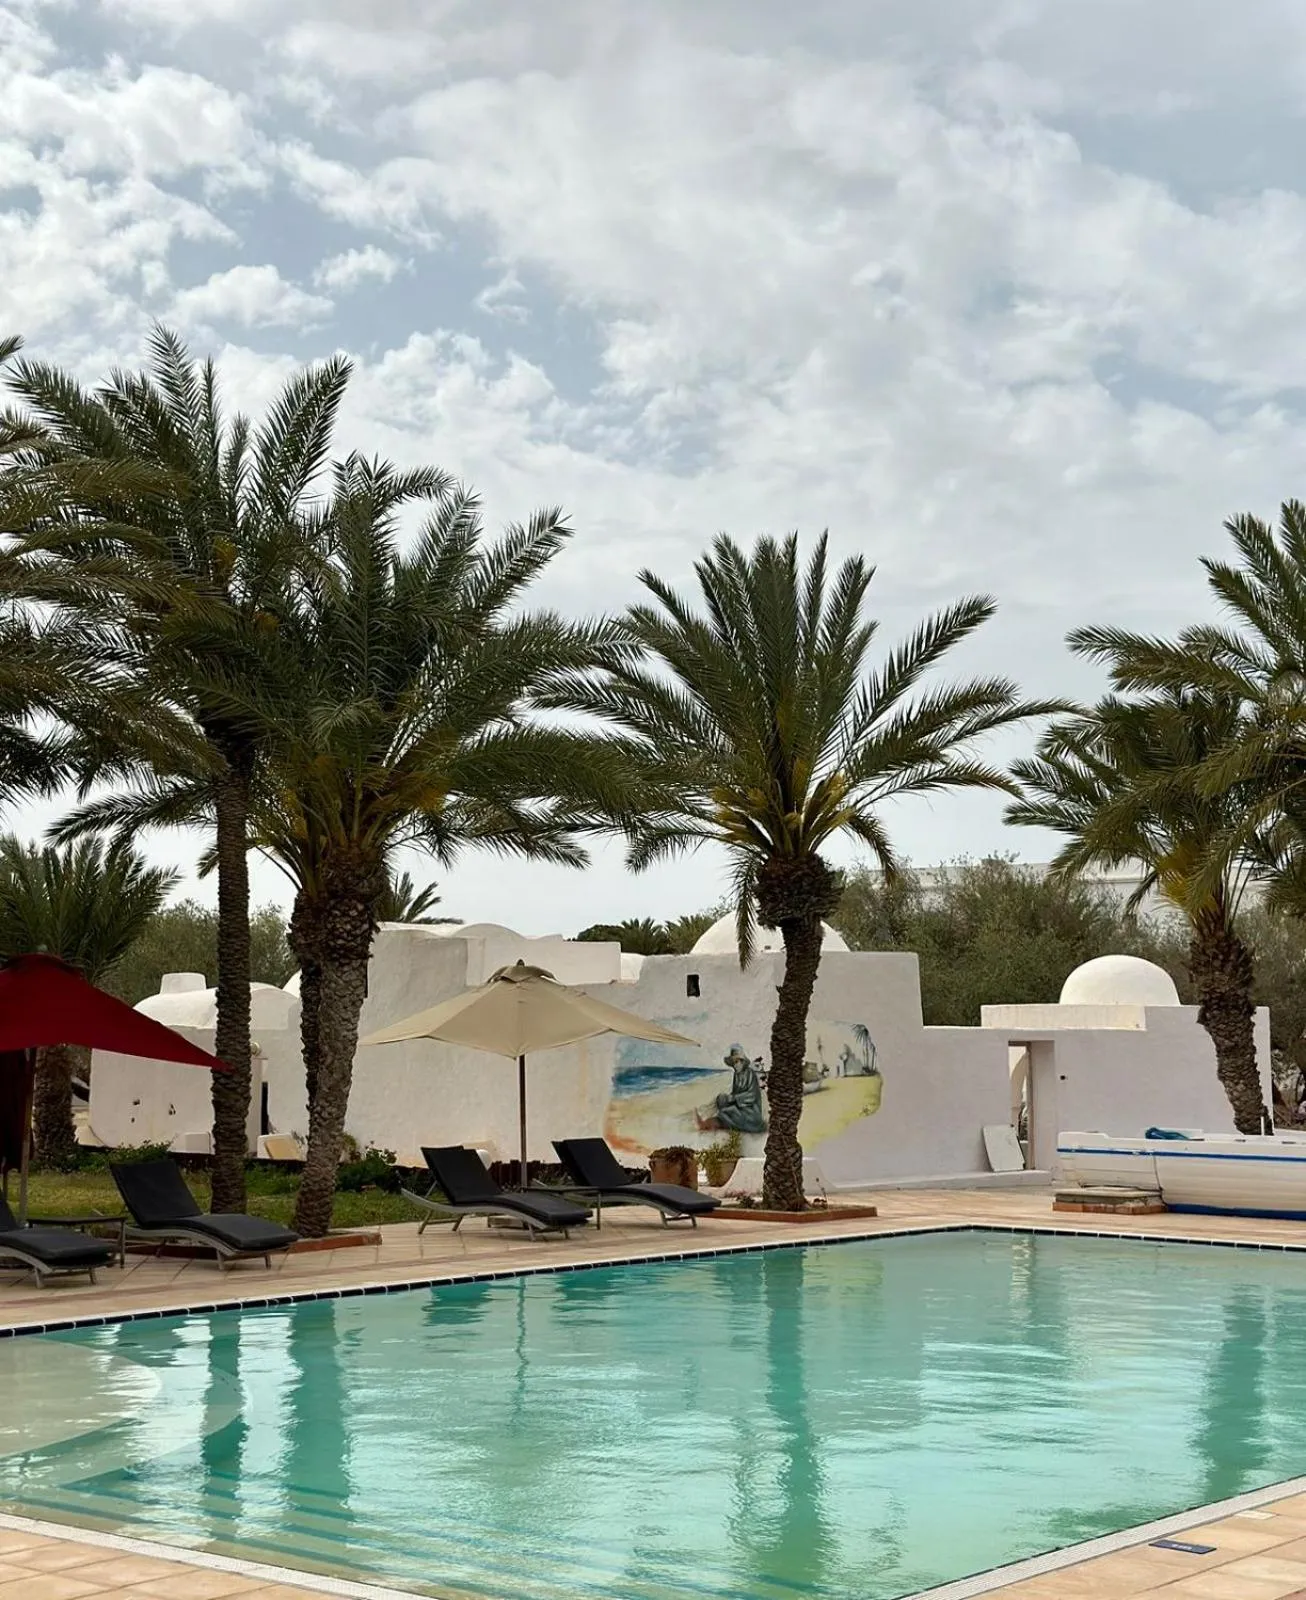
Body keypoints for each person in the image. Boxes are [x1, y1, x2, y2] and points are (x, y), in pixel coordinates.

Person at [696, 1044, 766, 1133]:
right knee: (721, 1100)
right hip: (741, 1107)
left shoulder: (750, 1073)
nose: (735, 1065)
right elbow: (735, 1093)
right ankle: (706, 1119)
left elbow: (752, 1096)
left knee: (727, 1112)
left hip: (751, 1112)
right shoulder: (737, 1075)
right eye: (733, 1063)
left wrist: (734, 1098)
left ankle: (706, 1124)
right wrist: (727, 1098)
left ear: (742, 1062)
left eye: (736, 1062)